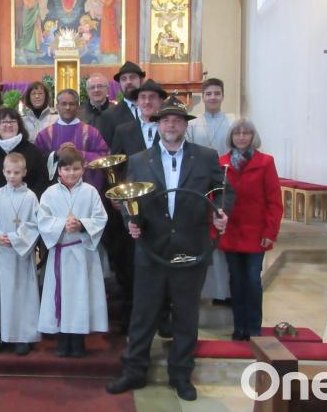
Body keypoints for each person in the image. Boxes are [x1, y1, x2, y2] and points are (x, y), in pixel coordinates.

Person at [105, 101, 233, 402]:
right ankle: (134, 371)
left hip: (191, 248)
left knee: (186, 317)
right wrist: (130, 222)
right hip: (152, 249)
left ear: (185, 125)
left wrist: (221, 211)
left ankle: (181, 375)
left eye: (177, 120)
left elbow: (223, 191)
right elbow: (128, 200)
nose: (171, 125)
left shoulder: (205, 157)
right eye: (165, 121)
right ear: (157, 125)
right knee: (143, 315)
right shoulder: (140, 160)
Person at [37, 146, 109, 357]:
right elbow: (42, 220)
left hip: (83, 253)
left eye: (76, 169)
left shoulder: (90, 192)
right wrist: (62, 224)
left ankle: (78, 341)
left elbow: (100, 218)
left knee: (80, 297)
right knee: (61, 297)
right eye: (66, 169)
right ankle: (62, 339)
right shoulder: (50, 194)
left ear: (83, 169)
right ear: (58, 170)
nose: (71, 173)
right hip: (61, 253)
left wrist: (82, 224)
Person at [108, 79, 166, 332]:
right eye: (142, 98)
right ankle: (131, 317)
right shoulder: (124, 130)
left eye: (152, 97)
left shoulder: (170, 128)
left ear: (160, 101)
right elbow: (116, 164)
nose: (147, 102)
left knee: (161, 263)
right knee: (131, 264)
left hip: (162, 206)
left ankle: (163, 318)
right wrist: (117, 193)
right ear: (136, 102)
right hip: (132, 207)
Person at [217, 119, 282, 341]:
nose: (242, 137)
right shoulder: (222, 163)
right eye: (237, 133)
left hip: (256, 232)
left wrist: (270, 232)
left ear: (253, 136)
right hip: (232, 232)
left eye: (246, 133)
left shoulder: (265, 162)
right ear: (231, 137)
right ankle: (239, 327)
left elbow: (274, 200)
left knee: (253, 280)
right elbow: (216, 197)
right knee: (236, 280)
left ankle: (254, 327)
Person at [0, 152, 42, 355]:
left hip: (20, 255)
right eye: (8, 172)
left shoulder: (30, 197)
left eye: (16, 172)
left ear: (24, 172)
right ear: (3, 172)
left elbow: (35, 223)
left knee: (21, 294)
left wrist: (15, 238)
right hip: (1, 253)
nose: (12, 176)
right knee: (0, 294)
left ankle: (22, 337)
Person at [187, 78, 236, 306]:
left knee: (225, 240)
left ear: (223, 96)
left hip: (227, 180)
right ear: (203, 96)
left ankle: (225, 293)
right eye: (209, 94)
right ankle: (207, 291)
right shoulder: (193, 124)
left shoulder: (233, 121)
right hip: (201, 185)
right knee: (207, 239)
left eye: (217, 93)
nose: (213, 97)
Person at [0, 106, 49, 210]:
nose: (8, 125)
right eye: (4, 122)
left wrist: (28, 203)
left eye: (12, 121)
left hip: (26, 208)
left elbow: (42, 180)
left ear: (19, 125)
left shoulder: (33, 152)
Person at [35, 88, 109, 192]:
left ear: (78, 107)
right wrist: (56, 154)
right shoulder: (45, 135)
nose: (68, 107)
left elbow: (104, 157)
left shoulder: (92, 132)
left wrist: (79, 154)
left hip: (86, 190)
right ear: (57, 106)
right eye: (63, 104)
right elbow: (36, 161)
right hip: (55, 192)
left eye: (72, 104)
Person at [98, 61, 146, 146]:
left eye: (132, 77)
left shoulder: (154, 110)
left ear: (141, 80)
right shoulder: (109, 116)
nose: (128, 82)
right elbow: (107, 149)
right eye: (124, 79)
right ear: (120, 84)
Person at [77, 73, 113, 138]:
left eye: (100, 86)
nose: (96, 90)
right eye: (92, 87)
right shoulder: (78, 113)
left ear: (107, 89)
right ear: (87, 91)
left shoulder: (118, 111)